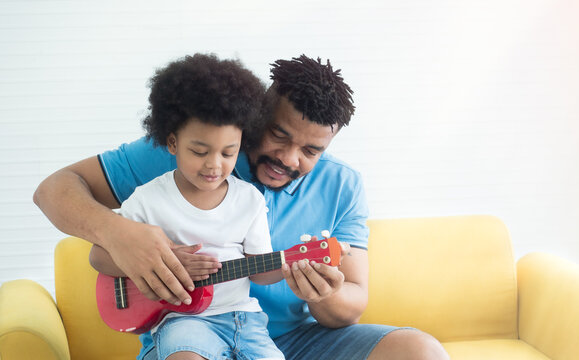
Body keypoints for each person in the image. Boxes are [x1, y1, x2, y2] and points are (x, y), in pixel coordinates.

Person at [34, 54, 450, 359]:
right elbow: (54, 190)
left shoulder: (343, 186)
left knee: (421, 351)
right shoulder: (188, 153)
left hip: (286, 341)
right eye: (278, 135)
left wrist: (325, 294)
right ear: (256, 115)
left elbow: (352, 303)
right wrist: (120, 236)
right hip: (190, 331)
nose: (289, 158)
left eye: (310, 150)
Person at [87, 53, 286, 360]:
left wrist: (292, 267)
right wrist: (161, 263)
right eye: (199, 151)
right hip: (180, 320)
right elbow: (99, 256)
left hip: (244, 321)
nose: (214, 165)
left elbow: (260, 271)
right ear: (172, 143)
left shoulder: (249, 200)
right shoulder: (148, 199)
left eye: (228, 153)